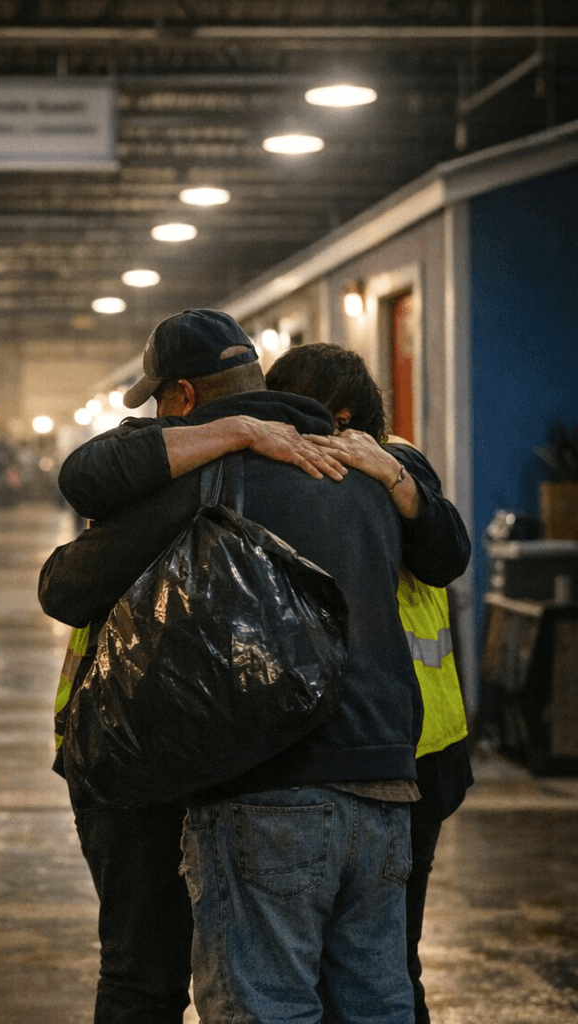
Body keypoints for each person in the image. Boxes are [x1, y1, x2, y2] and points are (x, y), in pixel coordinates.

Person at [39, 309, 466, 1024]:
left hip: (244, 773)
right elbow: (447, 551)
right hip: (388, 776)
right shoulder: (370, 472)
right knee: (377, 998)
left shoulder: (201, 475)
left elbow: (67, 581)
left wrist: (224, 440)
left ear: (181, 399)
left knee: (246, 998)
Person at [265, 343, 474, 1024]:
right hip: (386, 744)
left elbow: (446, 553)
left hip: (414, 749)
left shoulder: (392, 467)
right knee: (367, 966)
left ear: (344, 415)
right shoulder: (311, 469)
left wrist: (393, 477)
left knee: (386, 964)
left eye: (295, 409)